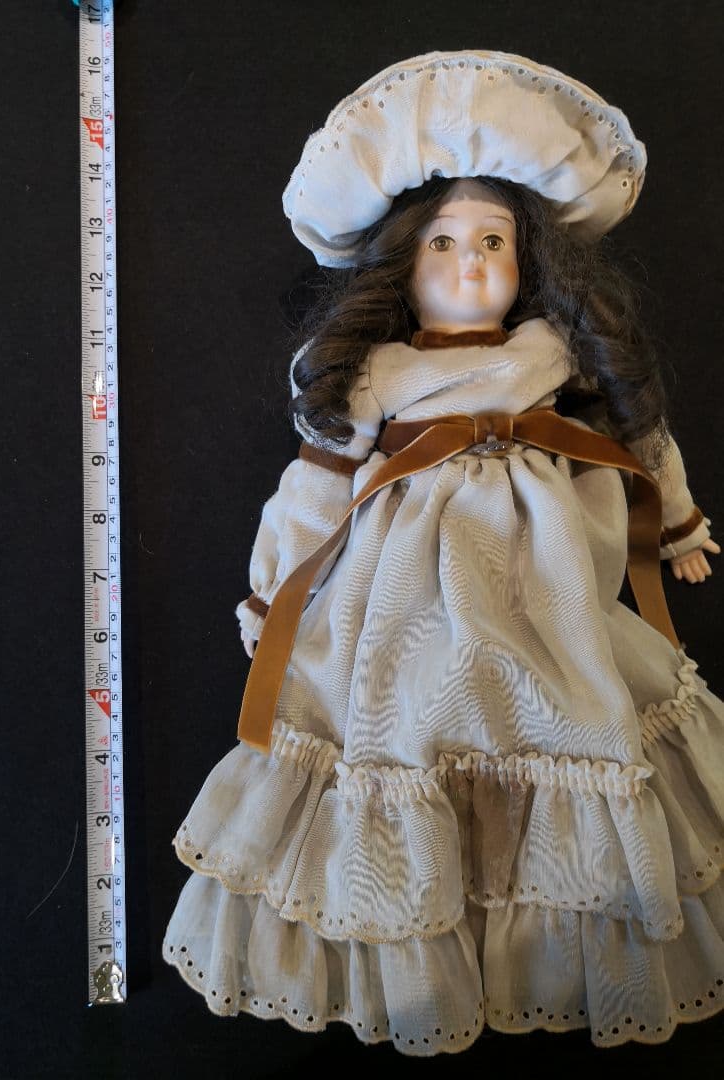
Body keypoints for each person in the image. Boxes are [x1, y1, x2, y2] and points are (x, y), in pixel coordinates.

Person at [163, 50, 724, 1055]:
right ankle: (424, 920)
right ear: (403, 262)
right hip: (403, 587)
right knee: (400, 716)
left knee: (569, 702)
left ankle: (550, 927)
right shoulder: (373, 374)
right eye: (445, 243)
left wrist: (677, 524)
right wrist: (273, 595)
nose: (471, 263)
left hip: (544, 578)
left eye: (495, 242)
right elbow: (315, 488)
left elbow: (641, 438)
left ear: (531, 261)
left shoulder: (553, 352)